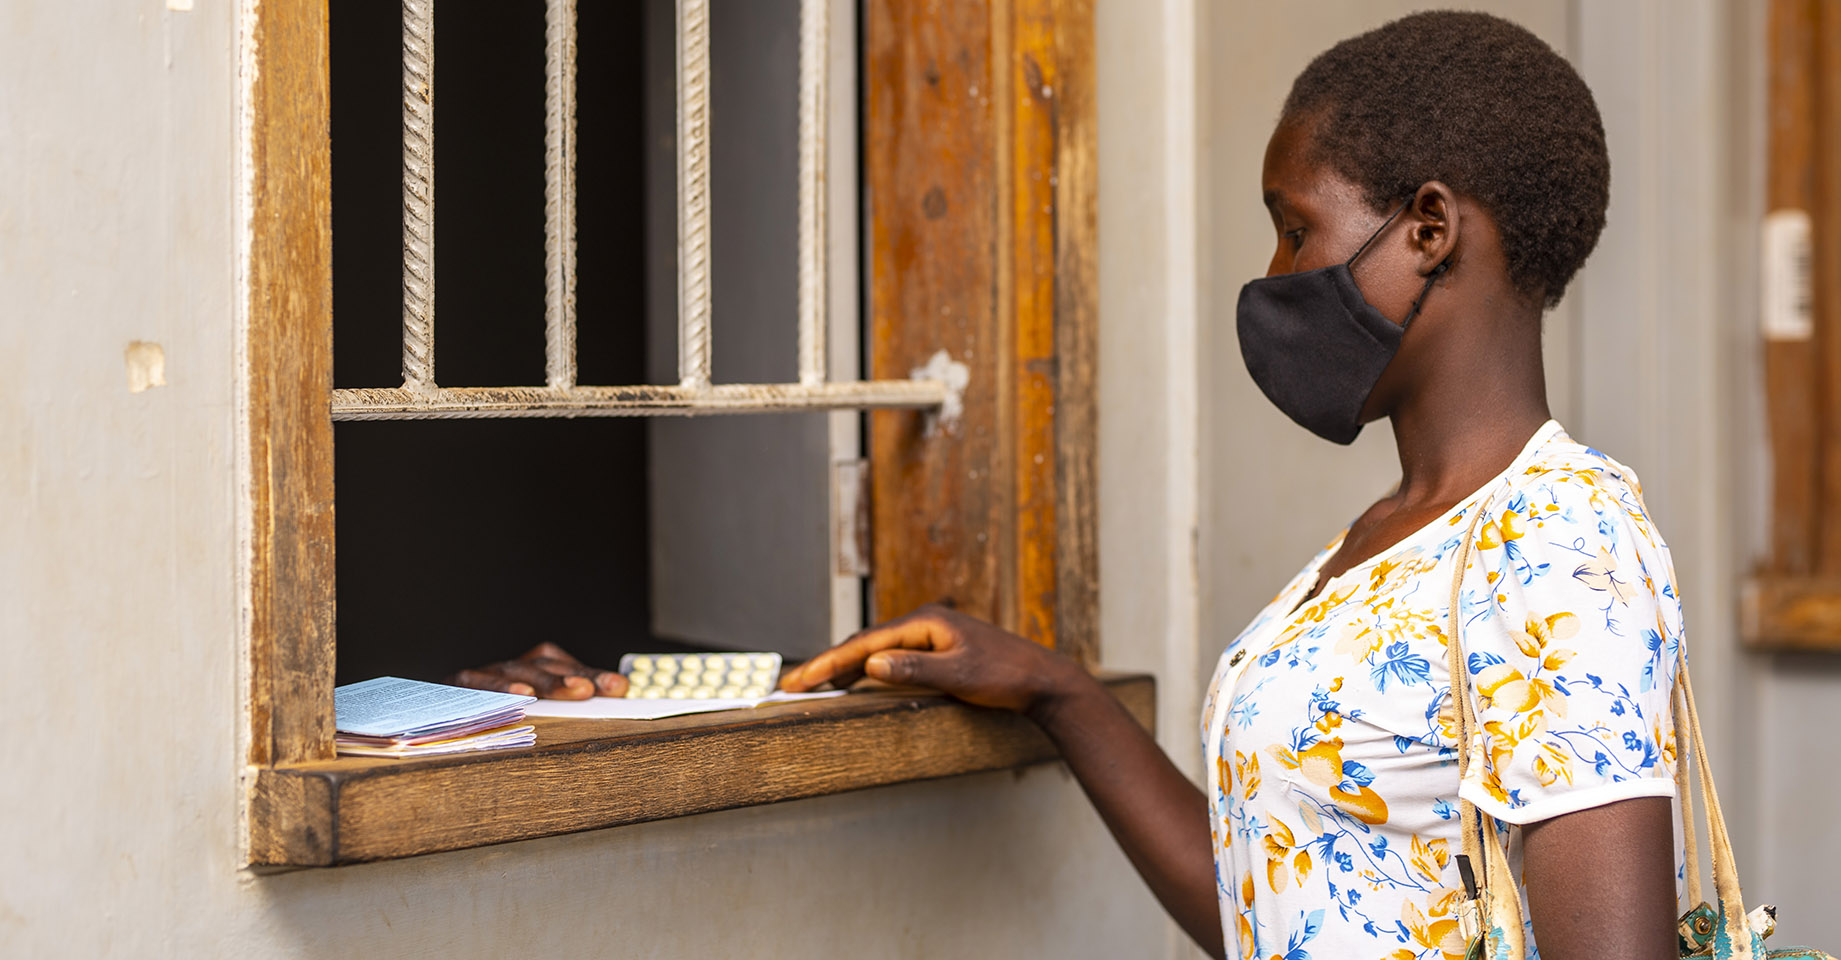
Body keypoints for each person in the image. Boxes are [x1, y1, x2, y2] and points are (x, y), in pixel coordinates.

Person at [459, 12, 1683, 960]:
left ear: (1430, 228)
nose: (1272, 276)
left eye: (1294, 228)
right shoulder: (1388, 539)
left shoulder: (1558, 543)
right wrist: (1060, 694)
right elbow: (1279, 915)